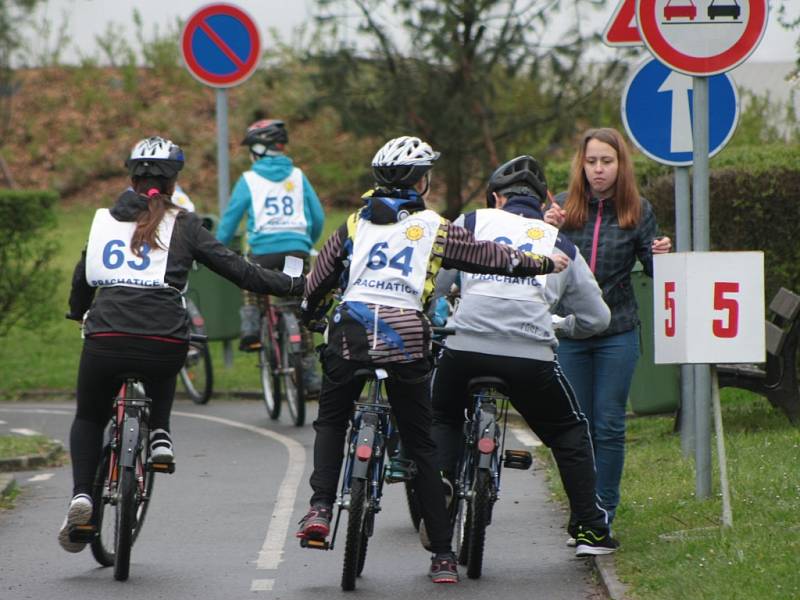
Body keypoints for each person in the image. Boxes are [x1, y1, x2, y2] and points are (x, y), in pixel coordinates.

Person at [297, 136, 567, 584]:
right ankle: (442, 556)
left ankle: (320, 507)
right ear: (421, 182)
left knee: (331, 420)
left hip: (350, 332)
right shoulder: (436, 227)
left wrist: (309, 314)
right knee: (421, 445)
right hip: (405, 336)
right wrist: (540, 263)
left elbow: (319, 278)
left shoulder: (353, 224)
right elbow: (491, 256)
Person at [60, 136, 304, 554]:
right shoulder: (186, 225)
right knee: (164, 353)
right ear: (174, 182)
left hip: (105, 336)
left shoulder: (103, 220)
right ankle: (160, 435)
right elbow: (239, 270)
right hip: (162, 338)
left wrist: (78, 311)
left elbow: (84, 275)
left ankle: (83, 494)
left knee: (88, 418)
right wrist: (295, 284)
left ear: (131, 177)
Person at [430, 154, 617, 557]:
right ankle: (589, 528)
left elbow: (436, 283)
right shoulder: (561, 243)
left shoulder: (470, 222)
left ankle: (442, 479)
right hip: (529, 357)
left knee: (442, 413)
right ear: (540, 201)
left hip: (465, 347)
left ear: (496, 198)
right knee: (569, 432)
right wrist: (562, 326)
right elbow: (598, 318)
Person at [544, 127, 672, 531]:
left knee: (609, 424)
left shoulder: (638, 210)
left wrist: (662, 254)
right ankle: (581, 511)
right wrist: (544, 229)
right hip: (570, 332)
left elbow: (655, 273)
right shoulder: (563, 209)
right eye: (592, 161)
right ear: (581, 165)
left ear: (621, 165)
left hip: (618, 331)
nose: (599, 170)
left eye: (607, 161)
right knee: (574, 426)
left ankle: (603, 515)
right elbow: (534, 260)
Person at [216, 119, 325, 393]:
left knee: (250, 278)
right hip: (296, 252)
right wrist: (305, 241)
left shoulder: (249, 180)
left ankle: (251, 323)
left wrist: (217, 248)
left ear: (257, 151)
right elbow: (318, 216)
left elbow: (230, 222)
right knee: (298, 306)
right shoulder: (298, 176)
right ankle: (310, 374)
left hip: (264, 253)